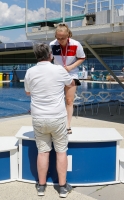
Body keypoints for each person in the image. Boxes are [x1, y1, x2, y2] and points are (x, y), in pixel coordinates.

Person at [24, 43, 75, 198]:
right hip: (57, 117)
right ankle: (62, 188)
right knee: (61, 152)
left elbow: (28, 92)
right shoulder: (58, 70)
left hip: (39, 117)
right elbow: (71, 83)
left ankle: (41, 186)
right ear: (50, 55)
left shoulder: (30, 72)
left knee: (43, 152)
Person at [50, 23, 85, 134]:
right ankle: (55, 124)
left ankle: (67, 125)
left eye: (63, 38)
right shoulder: (52, 44)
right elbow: (48, 59)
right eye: (58, 38)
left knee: (69, 101)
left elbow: (82, 57)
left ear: (68, 35)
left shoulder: (76, 44)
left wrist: (70, 67)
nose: (60, 40)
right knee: (56, 100)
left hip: (71, 74)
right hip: (57, 74)